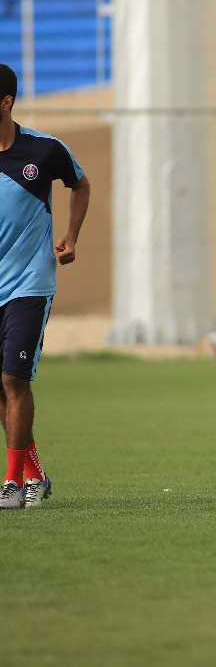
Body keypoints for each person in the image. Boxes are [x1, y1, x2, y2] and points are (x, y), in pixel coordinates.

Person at [0, 63, 90, 509]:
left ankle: (12, 483)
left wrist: (71, 236)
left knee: (13, 378)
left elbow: (81, 183)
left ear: (6, 102)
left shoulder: (44, 150)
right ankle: (33, 471)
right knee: (0, 386)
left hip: (29, 283)